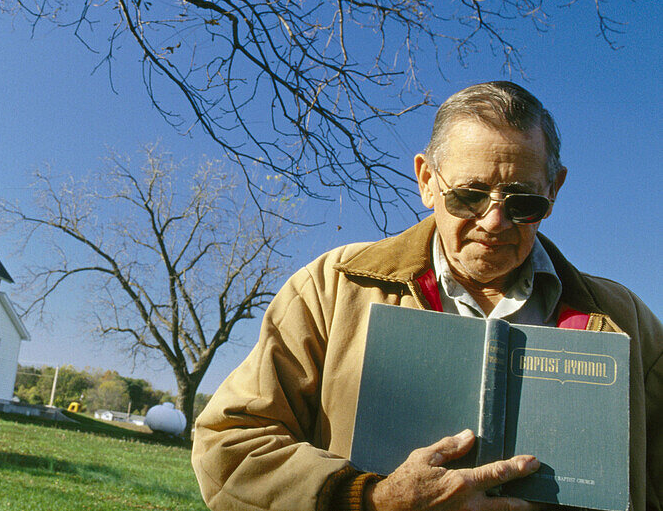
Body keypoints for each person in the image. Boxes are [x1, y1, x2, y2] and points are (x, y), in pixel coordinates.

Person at [191, 81, 663, 511]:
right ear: (426, 181)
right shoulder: (333, 288)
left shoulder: (627, 323)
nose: (494, 222)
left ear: (554, 189)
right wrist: (371, 500)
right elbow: (229, 444)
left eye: (523, 202)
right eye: (470, 195)